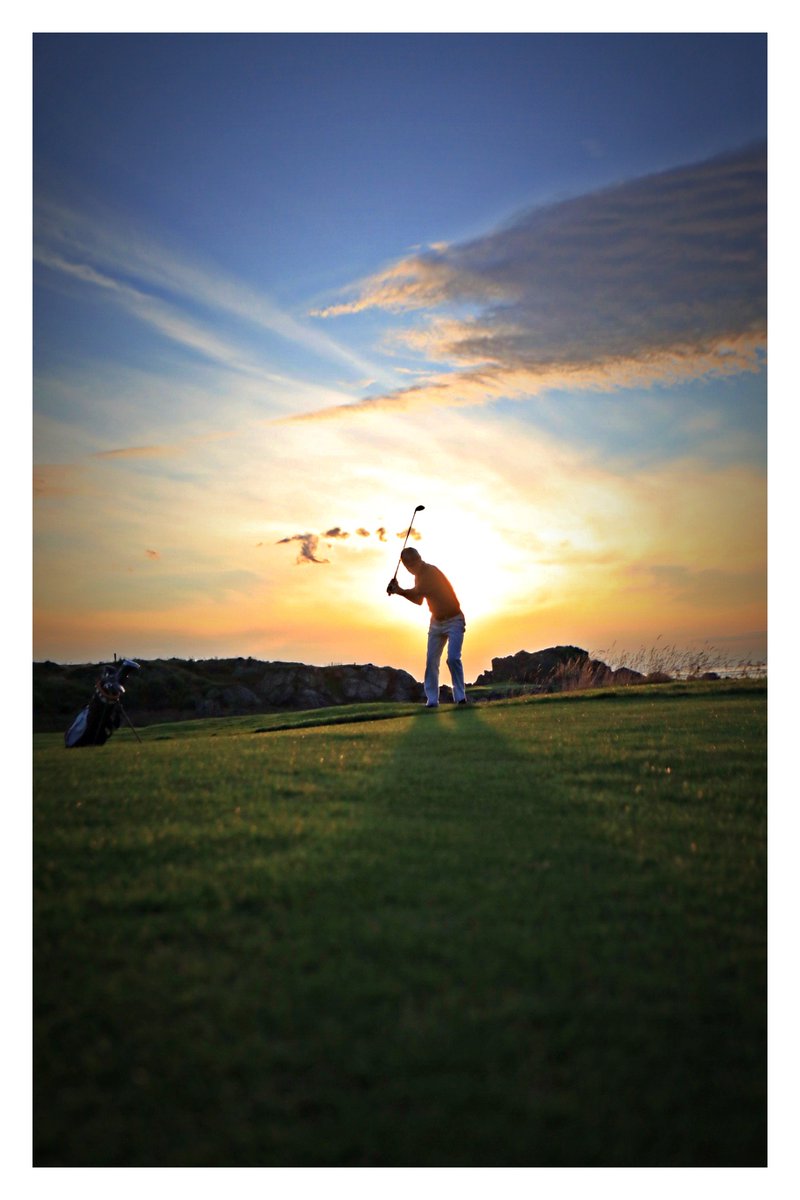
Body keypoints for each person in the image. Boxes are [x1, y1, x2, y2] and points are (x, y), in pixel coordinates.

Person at [387, 547, 467, 707]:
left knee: (453, 658)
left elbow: (417, 593)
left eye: (415, 563)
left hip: (454, 619)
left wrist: (399, 590)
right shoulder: (419, 576)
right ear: (407, 567)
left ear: (418, 560)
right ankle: (431, 701)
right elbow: (419, 601)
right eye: (411, 565)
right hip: (436, 622)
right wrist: (399, 591)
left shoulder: (430, 572)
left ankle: (460, 698)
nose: (414, 567)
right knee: (431, 661)